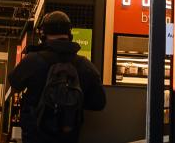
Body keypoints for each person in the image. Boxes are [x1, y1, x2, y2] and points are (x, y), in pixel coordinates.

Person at [8, 11, 105, 143]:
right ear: (69, 34)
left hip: (36, 136)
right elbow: (99, 102)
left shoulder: (32, 60)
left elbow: (14, 83)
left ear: (43, 34)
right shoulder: (85, 65)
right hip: (69, 135)